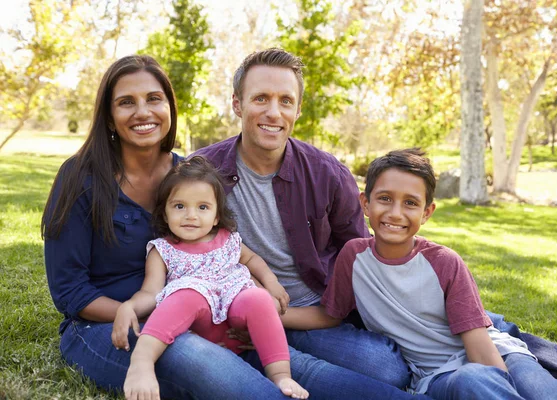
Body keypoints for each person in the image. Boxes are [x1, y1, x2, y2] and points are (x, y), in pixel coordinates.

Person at [42, 54, 429, 400]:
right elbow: (70, 292)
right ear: (109, 115)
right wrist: (147, 312)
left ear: (170, 108)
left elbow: (237, 254)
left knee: (297, 367)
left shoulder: (187, 175)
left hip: (209, 312)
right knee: (216, 366)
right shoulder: (82, 178)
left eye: (154, 99)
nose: (143, 111)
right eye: (127, 102)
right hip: (110, 323)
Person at [191, 47, 413, 389]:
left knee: (387, 370)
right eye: (261, 98)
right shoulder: (202, 171)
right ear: (237, 104)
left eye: (285, 100)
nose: (274, 112)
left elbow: (357, 256)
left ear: (298, 108)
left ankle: (271, 353)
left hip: (311, 314)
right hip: (235, 314)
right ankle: (270, 356)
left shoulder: (327, 173)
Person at [314, 148, 557, 400]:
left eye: (411, 203)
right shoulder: (354, 256)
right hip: (438, 375)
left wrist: (501, 387)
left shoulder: (444, 262)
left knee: (542, 394)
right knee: (472, 380)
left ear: (427, 212)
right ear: (365, 203)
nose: (396, 213)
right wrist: (273, 311)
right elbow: (330, 315)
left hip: (495, 353)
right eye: (385, 198)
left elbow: (480, 348)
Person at [114, 156, 308, 399]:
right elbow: (151, 292)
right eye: (179, 206)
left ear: (217, 216)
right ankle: (142, 361)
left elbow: (252, 260)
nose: (191, 216)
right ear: (164, 213)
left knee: (258, 298)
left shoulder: (227, 239)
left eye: (202, 207)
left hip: (237, 317)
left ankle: (281, 376)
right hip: (202, 327)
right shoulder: (162, 250)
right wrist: (130, 306)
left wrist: (271, 283)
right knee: (188, 294)